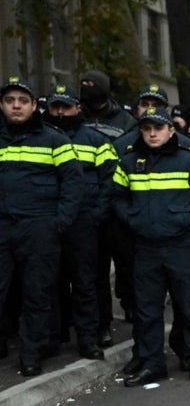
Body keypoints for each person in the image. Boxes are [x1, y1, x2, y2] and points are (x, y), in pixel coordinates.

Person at [110, 106, 190, 386]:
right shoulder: (129, 162)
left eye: (158, 128)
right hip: (146, 247)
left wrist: (189, 218)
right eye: (146, 129)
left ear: (171, 130)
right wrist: (133, 219)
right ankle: (152, 362)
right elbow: (116, 198)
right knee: (147, 310)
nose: (152, 133)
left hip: (182, 245)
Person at [0, 75, 85, 375]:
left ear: (35, 105)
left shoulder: (54, 139)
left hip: (40, 227)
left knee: (37, 294)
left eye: (23, 101)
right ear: (2, 105)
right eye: (10, 101)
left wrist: (59, 222)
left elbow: (74, 183)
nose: (16, 106)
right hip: (3, 226)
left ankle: (31, 355)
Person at [42, 84, 116, 360]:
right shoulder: (41, 138)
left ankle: (89, 337)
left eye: (65, 106)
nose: (60, 112)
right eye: (55, 107)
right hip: (50, 217)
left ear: (77, 107)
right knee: (50, 280)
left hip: (86, 219)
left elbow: (111, 180)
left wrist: (98, 214)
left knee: (86, 281)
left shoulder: (95, 140)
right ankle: (55, 336)